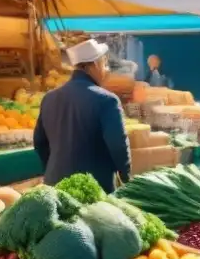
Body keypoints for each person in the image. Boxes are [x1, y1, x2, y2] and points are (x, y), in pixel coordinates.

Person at [34, 39, 130, 193]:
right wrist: (125, 175)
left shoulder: (49, 98)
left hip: (56, 186)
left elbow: (39, 142)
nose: (106, 70)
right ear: (94, 65)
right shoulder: (107, 100)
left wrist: (52, 168)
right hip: (93, 187)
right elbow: (118, 144)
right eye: (104, 63)